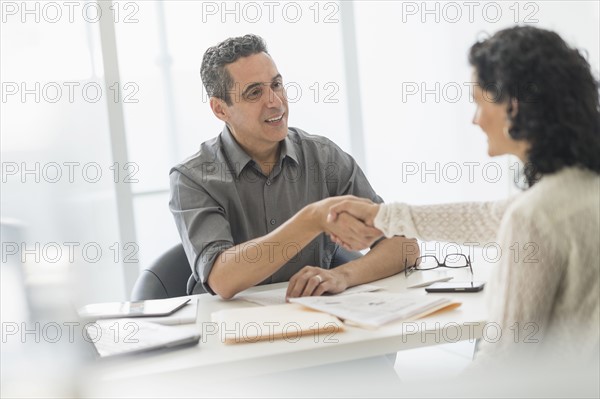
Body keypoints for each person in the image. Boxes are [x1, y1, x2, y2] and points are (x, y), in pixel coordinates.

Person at [327, 26, 600, 363]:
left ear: (514, 105)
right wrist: (382, 216)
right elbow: (490, 218)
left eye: (478, 101)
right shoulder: (579, 189)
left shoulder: (535, 215)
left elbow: (503, 364)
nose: (475, 120)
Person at [169, 34, 418, 300]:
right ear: (220, 109)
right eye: (254, 92)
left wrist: (343, 275)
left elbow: (404, 246)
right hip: (228, 328)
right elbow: (223, 279)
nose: (274, 101)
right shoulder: (192, 178)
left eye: (276, 85)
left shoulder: (324, 157)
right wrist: (312, 219)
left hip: (315, 321)